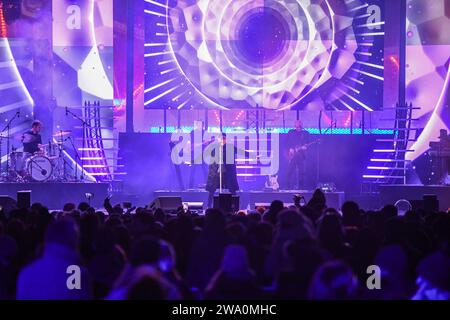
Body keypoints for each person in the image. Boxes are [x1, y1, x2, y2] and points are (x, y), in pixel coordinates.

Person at [205, 134, 239, 208]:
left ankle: (234, 207)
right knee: (212, 191)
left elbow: (241, 151)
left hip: (227, 174)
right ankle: (209, 207)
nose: (222, 140)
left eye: (224, 138)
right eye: (221, 138)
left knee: (231, 190)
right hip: (216, 174)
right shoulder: (213, 148)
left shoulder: (230, 147)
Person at [285, 120, 311, 189]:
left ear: (301, 125)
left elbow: (307, 143)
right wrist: (290, 148)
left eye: (299, 126)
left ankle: (301, 188)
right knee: (289, 172)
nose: (298, 127)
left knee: (301, 173)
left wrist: (305, 147)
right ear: (294, 126)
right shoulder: (291, 132)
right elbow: (286, 142)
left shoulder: (305, 133)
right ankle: (288, 188)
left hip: (301, 156)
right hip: (292, 155)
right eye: (296, 126)